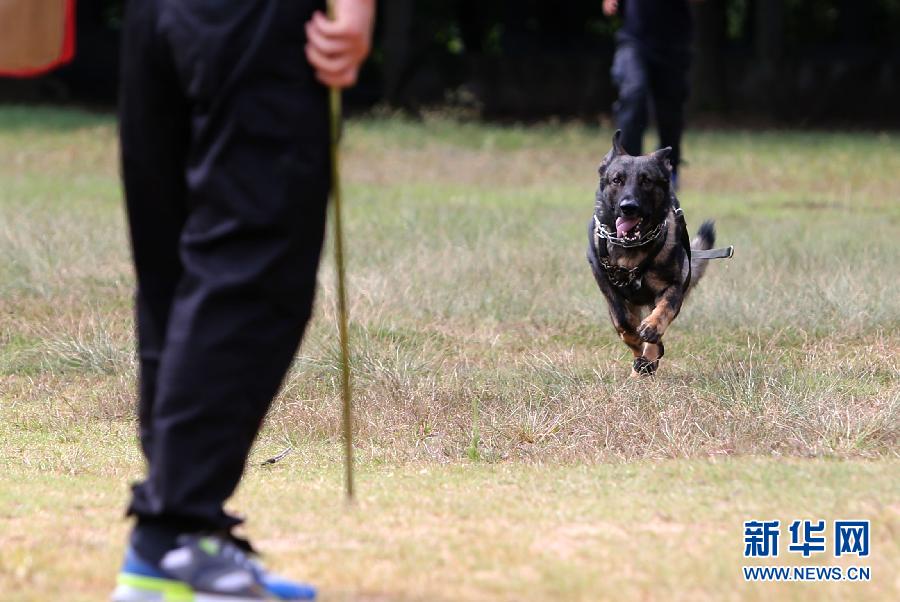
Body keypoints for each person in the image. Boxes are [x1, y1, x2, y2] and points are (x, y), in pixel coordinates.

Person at [113, 0, 375, 600]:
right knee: (251, 270)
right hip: (248, 24)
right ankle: (173, 533)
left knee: (175, 272)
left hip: (151, 19)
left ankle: (185, 527)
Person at [603, 0, 695, 188]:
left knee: (670, 110)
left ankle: (668, 168)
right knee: (633, 92)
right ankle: (626, 169)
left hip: (673, 43)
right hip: (633, 39)